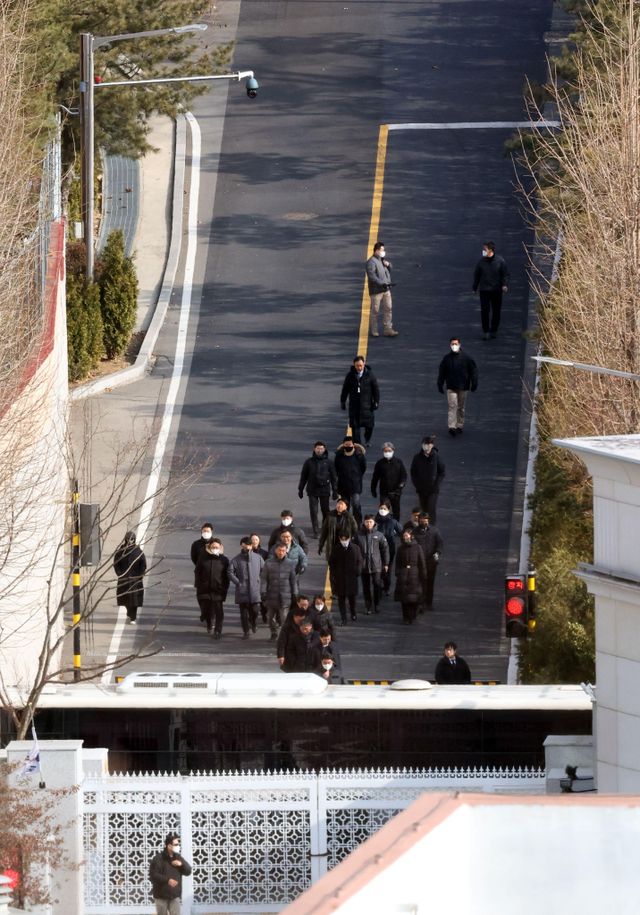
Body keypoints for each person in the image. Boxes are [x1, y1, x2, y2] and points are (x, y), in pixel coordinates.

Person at [437, 337, 478, 436]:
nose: (454, 346)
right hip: (451, 386)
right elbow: (442, 372)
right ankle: (452, 426)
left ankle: (459, 425)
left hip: (463, 386)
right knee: (452, 406)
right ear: (450, 345)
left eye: (456, 344)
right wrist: (440, 383)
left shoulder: (467, 358)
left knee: (461, 407)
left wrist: (474, 383)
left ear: (459, 344)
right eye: (452, 344)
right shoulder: (447, 359)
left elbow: (473, 371)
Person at [298, 441, 338, 537]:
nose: (319, 450)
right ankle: (315, 530)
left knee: (325, 510)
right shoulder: (309, 462)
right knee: (313, 511)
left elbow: (334, 477)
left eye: (321, 448)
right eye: (318, 448)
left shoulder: (329, 462)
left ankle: (325, 528)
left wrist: (335, 490)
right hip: (312, 489)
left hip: (325, 489)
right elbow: (304, 476)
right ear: (314, 449)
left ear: (324, 449)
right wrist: (300, 489)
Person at [260, 542, 298, 640]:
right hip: (271, 595)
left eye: (283, 551)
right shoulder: (268, 563)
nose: (281, 552)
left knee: (284, 618)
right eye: (279, 550)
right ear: (275, 551)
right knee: (269, 617)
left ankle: (284, 636)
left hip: (285, 596)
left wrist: (295, 593)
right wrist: (263, 592)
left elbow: (293, 580)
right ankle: (273, 632)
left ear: (286, 551)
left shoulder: (290, 563)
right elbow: (264, 579)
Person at [472, 240, 509, 340]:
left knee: (496, 311)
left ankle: (494, 330)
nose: (483, 251)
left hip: (496, 290)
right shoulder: (481, 262)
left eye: (485, 249)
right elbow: (477, 275)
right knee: (485, 310)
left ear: (490, 250)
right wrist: (475, 287)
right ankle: (486, 331)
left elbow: (505, 274)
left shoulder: (500, 261)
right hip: (484, 290)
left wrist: (504, 285)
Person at [228, 536, 264, 639]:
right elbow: (230, 572)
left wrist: (259, 580)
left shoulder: (258, 558)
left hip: (255, 589)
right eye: (245, 545)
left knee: (255, 610)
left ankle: (253, 622)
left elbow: (264, 570)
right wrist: (238, 582)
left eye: (249, 545)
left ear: (251, 546)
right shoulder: (236, 559)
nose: (247, 547)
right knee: (243, 613)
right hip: (242, 589)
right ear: (241, 545)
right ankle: (246, 631)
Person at [340, 355, 380, 446]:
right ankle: (358, 444)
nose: (359, 367)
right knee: (355, 427)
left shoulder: (370, 375)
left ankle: (367, 439)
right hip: (354, 406)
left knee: (369, 426)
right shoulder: (350, 375)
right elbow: (345, 389)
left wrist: (376, 402)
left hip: (367, 406)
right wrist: (343, 401)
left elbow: (376, 390)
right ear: (354, 365)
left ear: (364, 364)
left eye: (361, 365)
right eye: (357, 365)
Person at [194, 538, 230, 638]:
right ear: (209, 547)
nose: (215, 548)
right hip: (204, 590)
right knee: (206, 610)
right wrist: (198, 584)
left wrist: (224, 589)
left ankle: (218, 630)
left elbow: (226, 577)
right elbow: (197, 572)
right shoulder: (203, 558)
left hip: (218, 590)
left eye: (217, 547)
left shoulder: (224, 560)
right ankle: (209, 623)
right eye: (213, 547)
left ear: (220, 547)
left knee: (219, 612)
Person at [149, 832, 192, 915]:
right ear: (169, 846)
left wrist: (181, 865)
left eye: (178, 844)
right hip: (161, 895)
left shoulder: (178, 857)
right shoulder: (158, 858)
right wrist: (167, 880)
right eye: (176, 844)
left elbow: (188, 871)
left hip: (174, 895)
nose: (178, 846)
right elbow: (153, 875)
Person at [394, 525, 427, 625]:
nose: (405, 538)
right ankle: (406, 618)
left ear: (411, 536)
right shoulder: (400, 549)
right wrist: (398, 573)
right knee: (404, 599)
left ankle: (412, 615)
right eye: (404, 536)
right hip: (403, 576)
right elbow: (397, 562)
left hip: (414, 575)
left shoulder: (417, 547)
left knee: (414, 598)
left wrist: (423, 575)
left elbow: (421, 562)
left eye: (407, 536)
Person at [357, 514, 389, 614]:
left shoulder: (379, 535)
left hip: (376, 565)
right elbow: (354, 550)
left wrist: (386, 563)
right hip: (363, 565)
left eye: (370, 522)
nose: (369, 524)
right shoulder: (358, 535)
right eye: (367, 522)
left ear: (374, 522)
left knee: (377, 585)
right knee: (366, 587)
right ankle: (368, 606)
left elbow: (385, 550)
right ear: (364, 522)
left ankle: (377, 604)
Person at [328, 533, 363, 624]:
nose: (344, 541)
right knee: (341, 599)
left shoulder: (355, 548)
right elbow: (331, 562)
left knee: (352, 598)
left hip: (351, 578)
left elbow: (359, 561)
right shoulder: (336, 549)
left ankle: (353, 613)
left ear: (349, 538)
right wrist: (334, 574)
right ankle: (343, 618)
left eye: (345, 539)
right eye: (342, 539)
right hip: (340, 578)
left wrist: (358, 571)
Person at [366, 241, 399, 337]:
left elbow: (388, 271)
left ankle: (388, 329)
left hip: (386, 289)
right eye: (382, 250)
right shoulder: (371, 262)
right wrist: (382, 283)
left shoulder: (382, 260)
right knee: (375, 311)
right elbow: (372, 276)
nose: (383, 252)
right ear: (376, 250)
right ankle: (374, 330)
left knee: (388, 309)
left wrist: (388, 265)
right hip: (377, 291)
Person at [113, 530, 147, 624]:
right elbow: (116, 564)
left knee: (134, 600)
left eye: (132, 539)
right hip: (124, 579)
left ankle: (133, 617)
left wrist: (140, 575)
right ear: (125, 539)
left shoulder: (138, 551)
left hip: (135, 580)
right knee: (126, 599)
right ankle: (129, 613)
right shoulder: (121, 552)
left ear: (134, 540)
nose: (130, 541)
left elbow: (143, 564)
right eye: (128, 539)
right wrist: (120, 574)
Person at [409, 436, 445, 522]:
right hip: (421, 489)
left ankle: (431, 526)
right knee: (424, 509)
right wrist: (417, 484)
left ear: (432, 445)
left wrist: (436, 484)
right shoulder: (417, 457)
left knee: (431, 508)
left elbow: (441, 472)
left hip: (433, 489)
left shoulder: (436, 457)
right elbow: (413, 472)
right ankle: (423, 525)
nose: (427, 446)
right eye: (425, 444)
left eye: (429, 444)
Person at [412, 512, 443, 612]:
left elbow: (440, 543)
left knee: (430, 583)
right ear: (419, 520)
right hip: (419, 562)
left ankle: (428, 603)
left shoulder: (434, 531)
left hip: (431, 562)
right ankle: (420, 603)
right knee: (419, 583)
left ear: (428, 521)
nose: (424, 522)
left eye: (425, 520)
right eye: (421, 520)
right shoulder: (414, 532)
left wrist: (437, 553)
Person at [370, 442, 407, 521]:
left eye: (389, 451)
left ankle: (396, 524)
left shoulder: (398, 462)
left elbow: (404, 475)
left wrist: (401, 484)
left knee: (396, 510)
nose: (387, 452)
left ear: (393, 451)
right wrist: (373, 489)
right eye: (385, 451)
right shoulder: (380, 463)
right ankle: (383, 524)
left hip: (396, 491)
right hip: (384, 492)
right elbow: (375, 477)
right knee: (383, 509)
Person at [334, 436, 367, 524]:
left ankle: (358, 523)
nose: (348, 446)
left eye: (349, 444)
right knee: (345, 506)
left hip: (355, 485)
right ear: (343, 445)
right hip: (343, 485)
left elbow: (363, 468)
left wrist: (357, 476)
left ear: (353, 445)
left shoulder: (359, 455)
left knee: (356, 505)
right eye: (346, 445)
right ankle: (345, 523)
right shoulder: (339, 456)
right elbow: (336, 468)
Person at [375, 500, 403, 595]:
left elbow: (402, 532)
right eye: (381, 508)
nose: (382, 510)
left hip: (390, 549)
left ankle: (386, 587)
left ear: (388, 510)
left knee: (387, 568)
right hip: (377, 549)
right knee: (378, 568)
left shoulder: (393, 522)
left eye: (384, 508)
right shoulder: (375, 521)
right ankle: (379, 586)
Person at [277, 602, 310, 671]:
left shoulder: (308, 626)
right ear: (294, 617)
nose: (300, 622)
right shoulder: (287, 627)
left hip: (304, 655)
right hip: (291, 654)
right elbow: (281, 642)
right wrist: (281, 655)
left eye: (302, 620)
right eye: (298, 620)